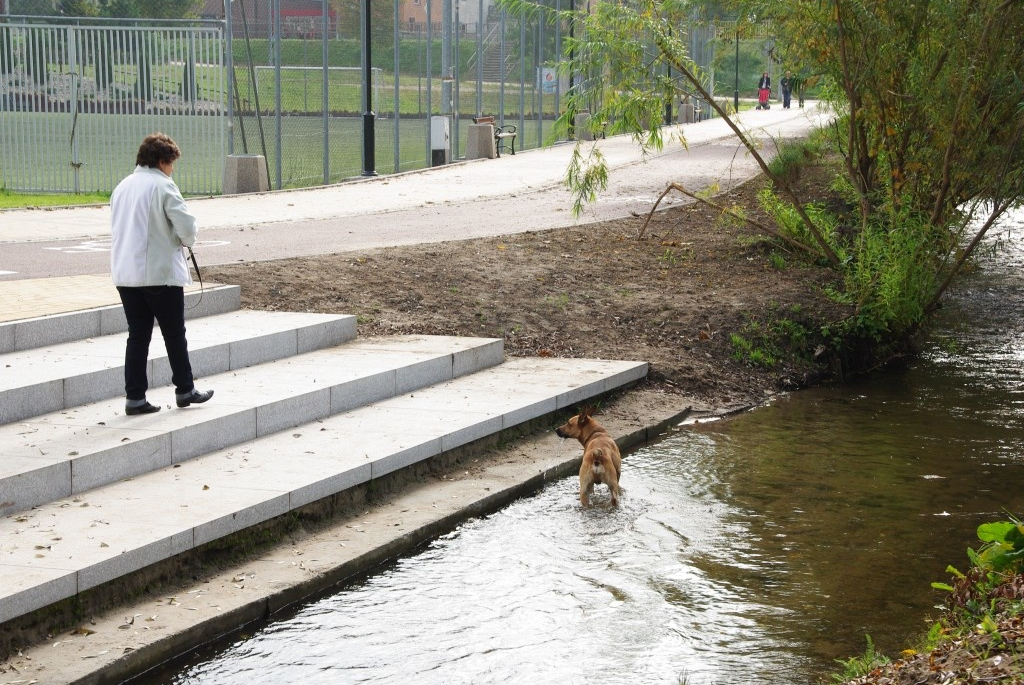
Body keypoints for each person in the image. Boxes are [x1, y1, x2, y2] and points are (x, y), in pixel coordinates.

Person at [110, 132, 214, 416]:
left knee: (138, 335)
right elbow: (188, 229)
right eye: (171, 163)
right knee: (173, 333)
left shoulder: (122, 187)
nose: (173, 169)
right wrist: (184, 240)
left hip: (125, 274)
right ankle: (184, 388)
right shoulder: (163, 186)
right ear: (161, 161)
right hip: (159, 273)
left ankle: (135, 397)